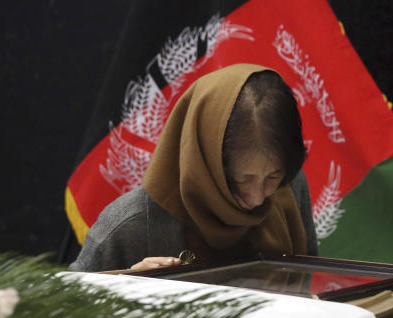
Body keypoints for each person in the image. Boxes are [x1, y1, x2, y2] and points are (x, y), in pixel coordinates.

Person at [71, 64, 318, 272]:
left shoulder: (290, 188)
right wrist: (125, 291)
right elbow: (62, 315)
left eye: (272, 176)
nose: (257, 198)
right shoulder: (128, 226)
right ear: (205, 164)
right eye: (242, 180)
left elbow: (313, 283)